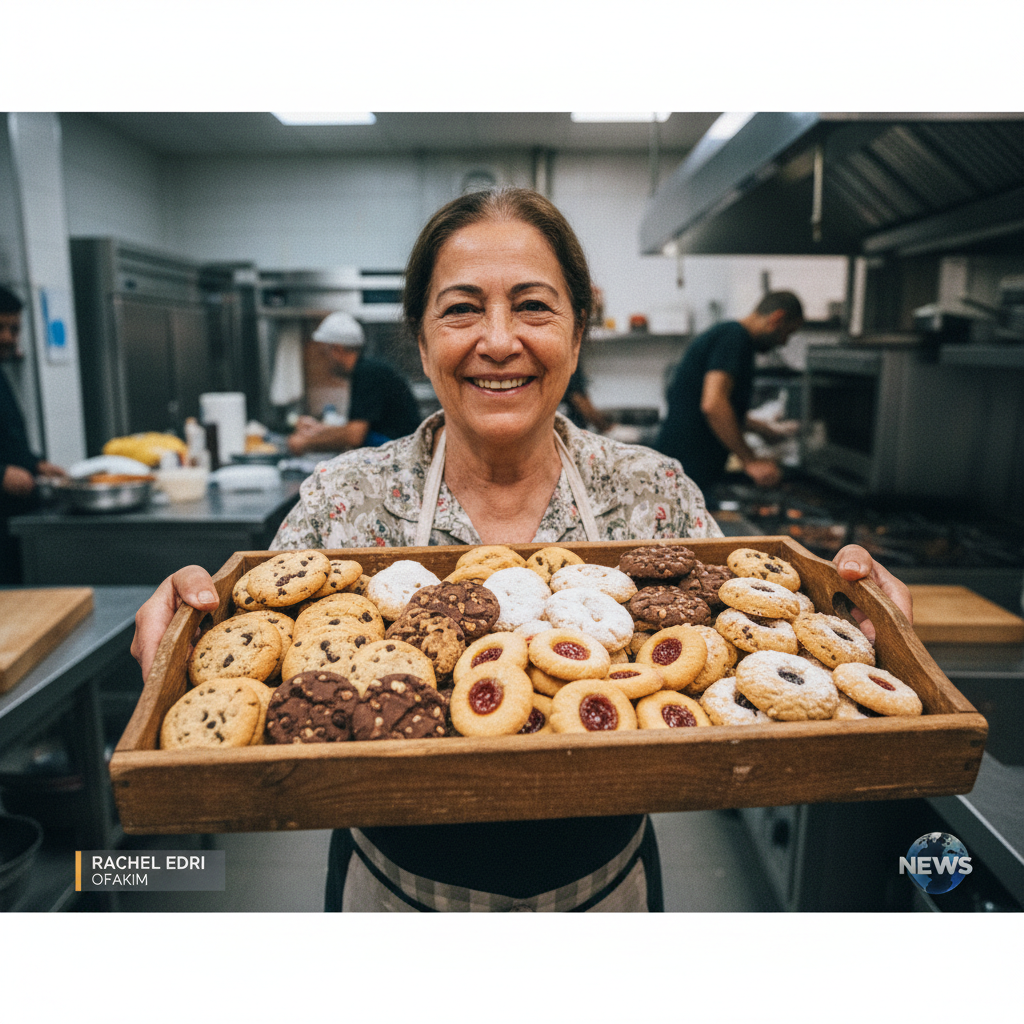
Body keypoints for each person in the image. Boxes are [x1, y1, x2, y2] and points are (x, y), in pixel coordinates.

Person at [131, 188, 912, 913]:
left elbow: (749, 663)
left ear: (578, 331)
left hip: (608, 888)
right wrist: (190, 621)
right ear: (421, 335)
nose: (498, 342)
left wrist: (855, 624)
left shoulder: (653, 491)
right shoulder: (346, 497)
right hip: (390, 892)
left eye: (534, 308)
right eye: (461, 310)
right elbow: (254, 661)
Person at [655, 292, 805, 498]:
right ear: (777, 319)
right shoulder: (735, 338)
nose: (784, 342)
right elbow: (714, 404)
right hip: (687, 470)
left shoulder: (730, 335)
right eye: (787, 333)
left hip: (687, 468)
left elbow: (723, 406)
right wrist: (750, 460)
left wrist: (764, 431)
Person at [0, 285, 66, 583]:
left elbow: (8, 440)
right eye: (0, 327)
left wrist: (35, 464)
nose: (7, 337)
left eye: (13, 329)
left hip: (15, 515)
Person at [286, 311, 421, 455]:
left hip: (401, 455)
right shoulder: (367, 369)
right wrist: (319, 431)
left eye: (324, 353)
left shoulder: (368, 373)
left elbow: (354, 435)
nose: (325, 361)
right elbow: (357, 427)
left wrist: (305, 443)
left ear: (337, 349)